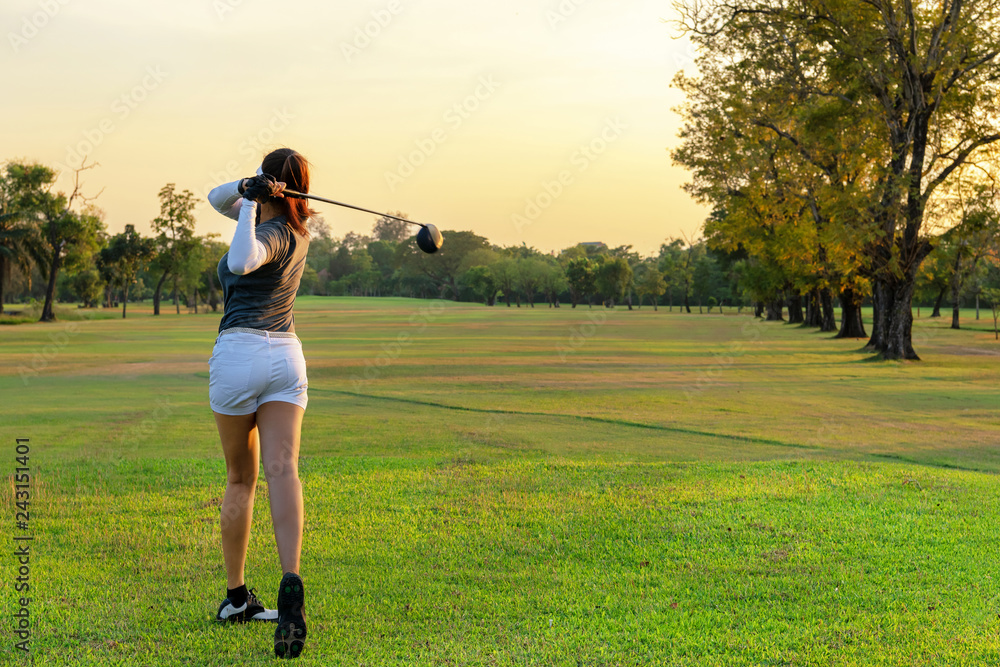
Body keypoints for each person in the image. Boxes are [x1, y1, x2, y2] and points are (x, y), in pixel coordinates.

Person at [206, 147, 315, 659]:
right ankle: (289, 579)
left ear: (274, 182)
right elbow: (214, 197)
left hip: (239, 353)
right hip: (285, 358)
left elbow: (239, 260)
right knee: (284, 469)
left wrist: (250, 201)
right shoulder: (299, 230)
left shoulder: (268, 231)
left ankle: (235, 598)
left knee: (240, 478)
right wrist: (249, 187)